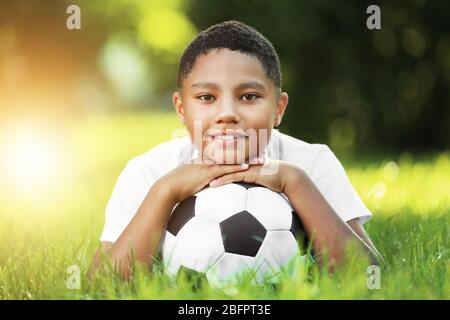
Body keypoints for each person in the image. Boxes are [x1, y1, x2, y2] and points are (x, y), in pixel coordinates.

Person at [88, 20, 382, 280]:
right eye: (206, 97)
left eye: (249, 96)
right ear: (181, 109)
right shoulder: (148, 171)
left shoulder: (311, 162)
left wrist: (295, 182)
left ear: (278, 109)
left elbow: (367, 274)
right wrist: (165, 191)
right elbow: (103, 283)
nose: (227, 113)